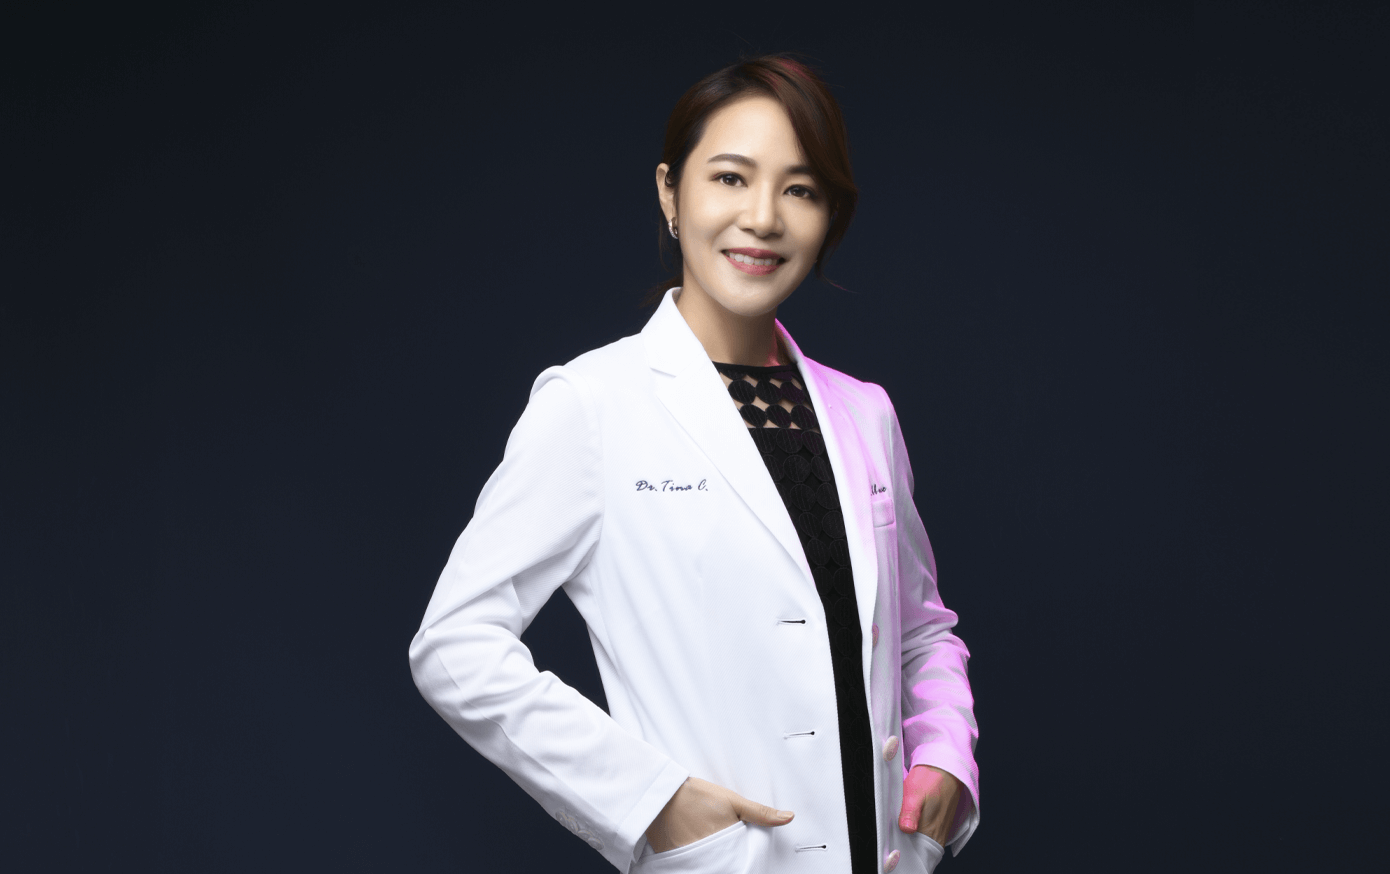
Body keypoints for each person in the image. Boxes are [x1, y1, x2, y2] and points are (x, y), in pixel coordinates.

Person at [409, 55, 979, 874]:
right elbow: (454, 645)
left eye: (800, 189)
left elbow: (920, 631)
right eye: (730, 178)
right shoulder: (593, 404)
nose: (763, 218)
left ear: (828, 217)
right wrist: (651, 799)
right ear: (671, 194)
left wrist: (947, 753)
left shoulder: (866, 413)